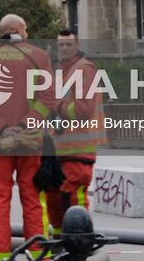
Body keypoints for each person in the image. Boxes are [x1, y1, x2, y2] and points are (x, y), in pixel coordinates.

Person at [0, 14, 54, 261]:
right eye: (25, 29)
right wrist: (24, 125)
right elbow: (47, 98)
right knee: (34, 200)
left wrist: (3, 128)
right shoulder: (38, 56)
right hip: (30, 143)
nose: (27, 33)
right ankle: (39, 254)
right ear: (19, 29)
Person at [45, 30, 105, 235]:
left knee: (73, 202)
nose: (64, 48)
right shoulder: (61, 71)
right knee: (54, 201)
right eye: (60, 45)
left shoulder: (84, 69)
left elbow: (83, 109)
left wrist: (57, 105)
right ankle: (62, 245)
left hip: (78, 151)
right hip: (60, 150)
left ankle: (78, 245)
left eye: (68, 45)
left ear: (77, 45)